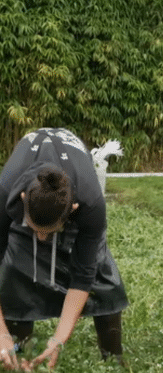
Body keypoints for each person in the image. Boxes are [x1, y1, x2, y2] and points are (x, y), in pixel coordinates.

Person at [0, 128, 128, 371]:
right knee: (15, 275)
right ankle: (18, 355)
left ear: (73, 209)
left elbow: (83, 277)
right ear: (23, 198)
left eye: (49, 230)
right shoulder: (5, 192)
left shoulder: (91, 204)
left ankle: (114, 362)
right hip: (32, 200)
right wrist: (1, 334)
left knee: (104, 279)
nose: (42, 238)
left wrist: (59, 339)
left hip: (74, 192)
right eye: (36, 228)